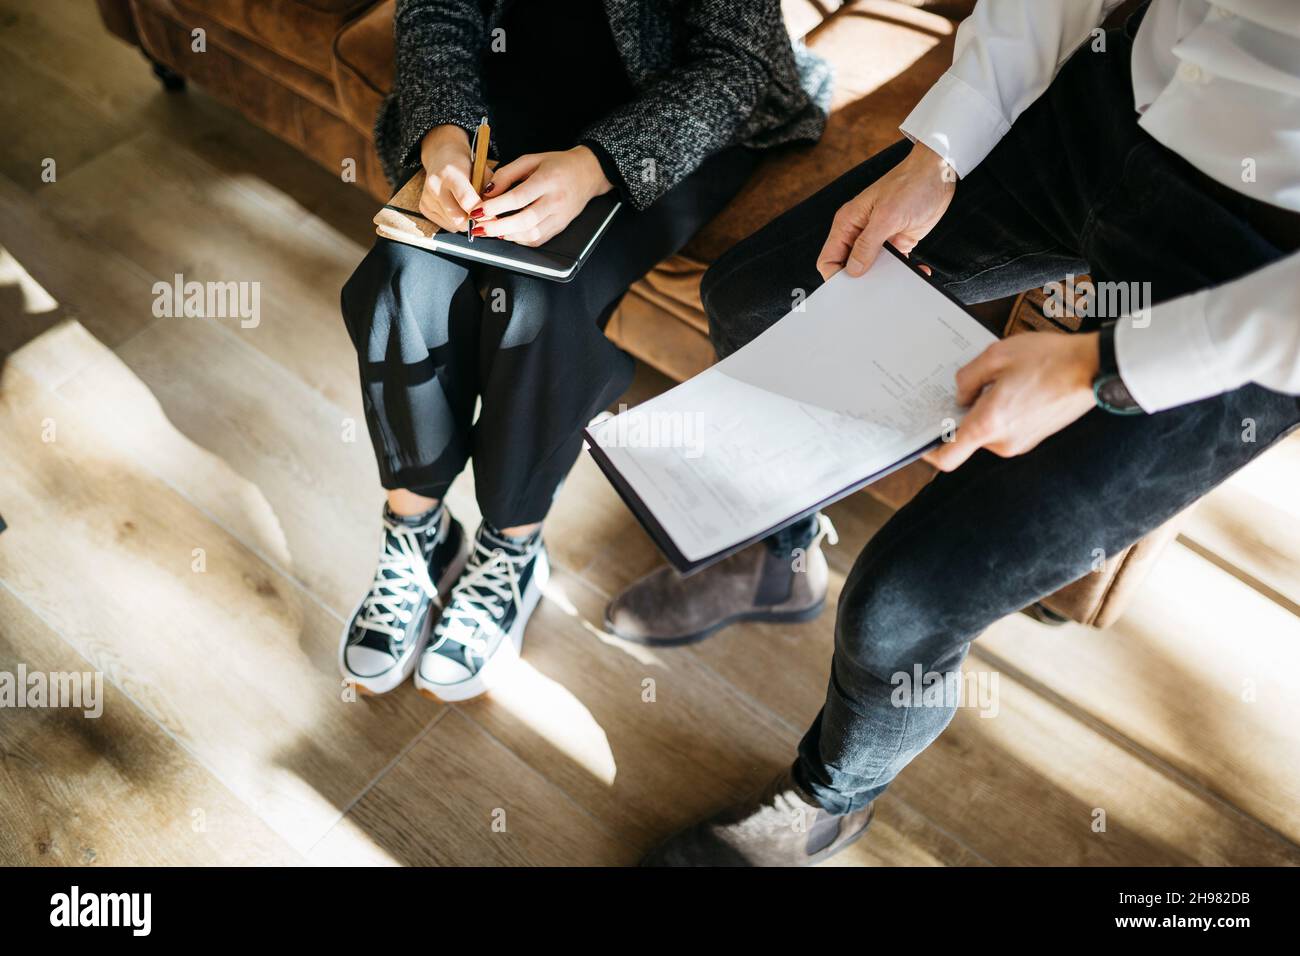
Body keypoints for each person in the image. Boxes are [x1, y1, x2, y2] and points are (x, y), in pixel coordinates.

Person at [608, 0, 1300, 865]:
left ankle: (832, 799)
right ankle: (779, 559)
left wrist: (1103, 363)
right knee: (758, 296)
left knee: (902, 607)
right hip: (1107, 100)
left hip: (1263, 270)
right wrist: (942, 149)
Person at [337, 0, 830, 701]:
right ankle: (418, 530)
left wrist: (599, 166)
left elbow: (736, 62)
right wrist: (443, 136)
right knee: (403, 276)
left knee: (542, 305)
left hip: (670, 107)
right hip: (507, 87)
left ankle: (512, 543)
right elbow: (438, 9)